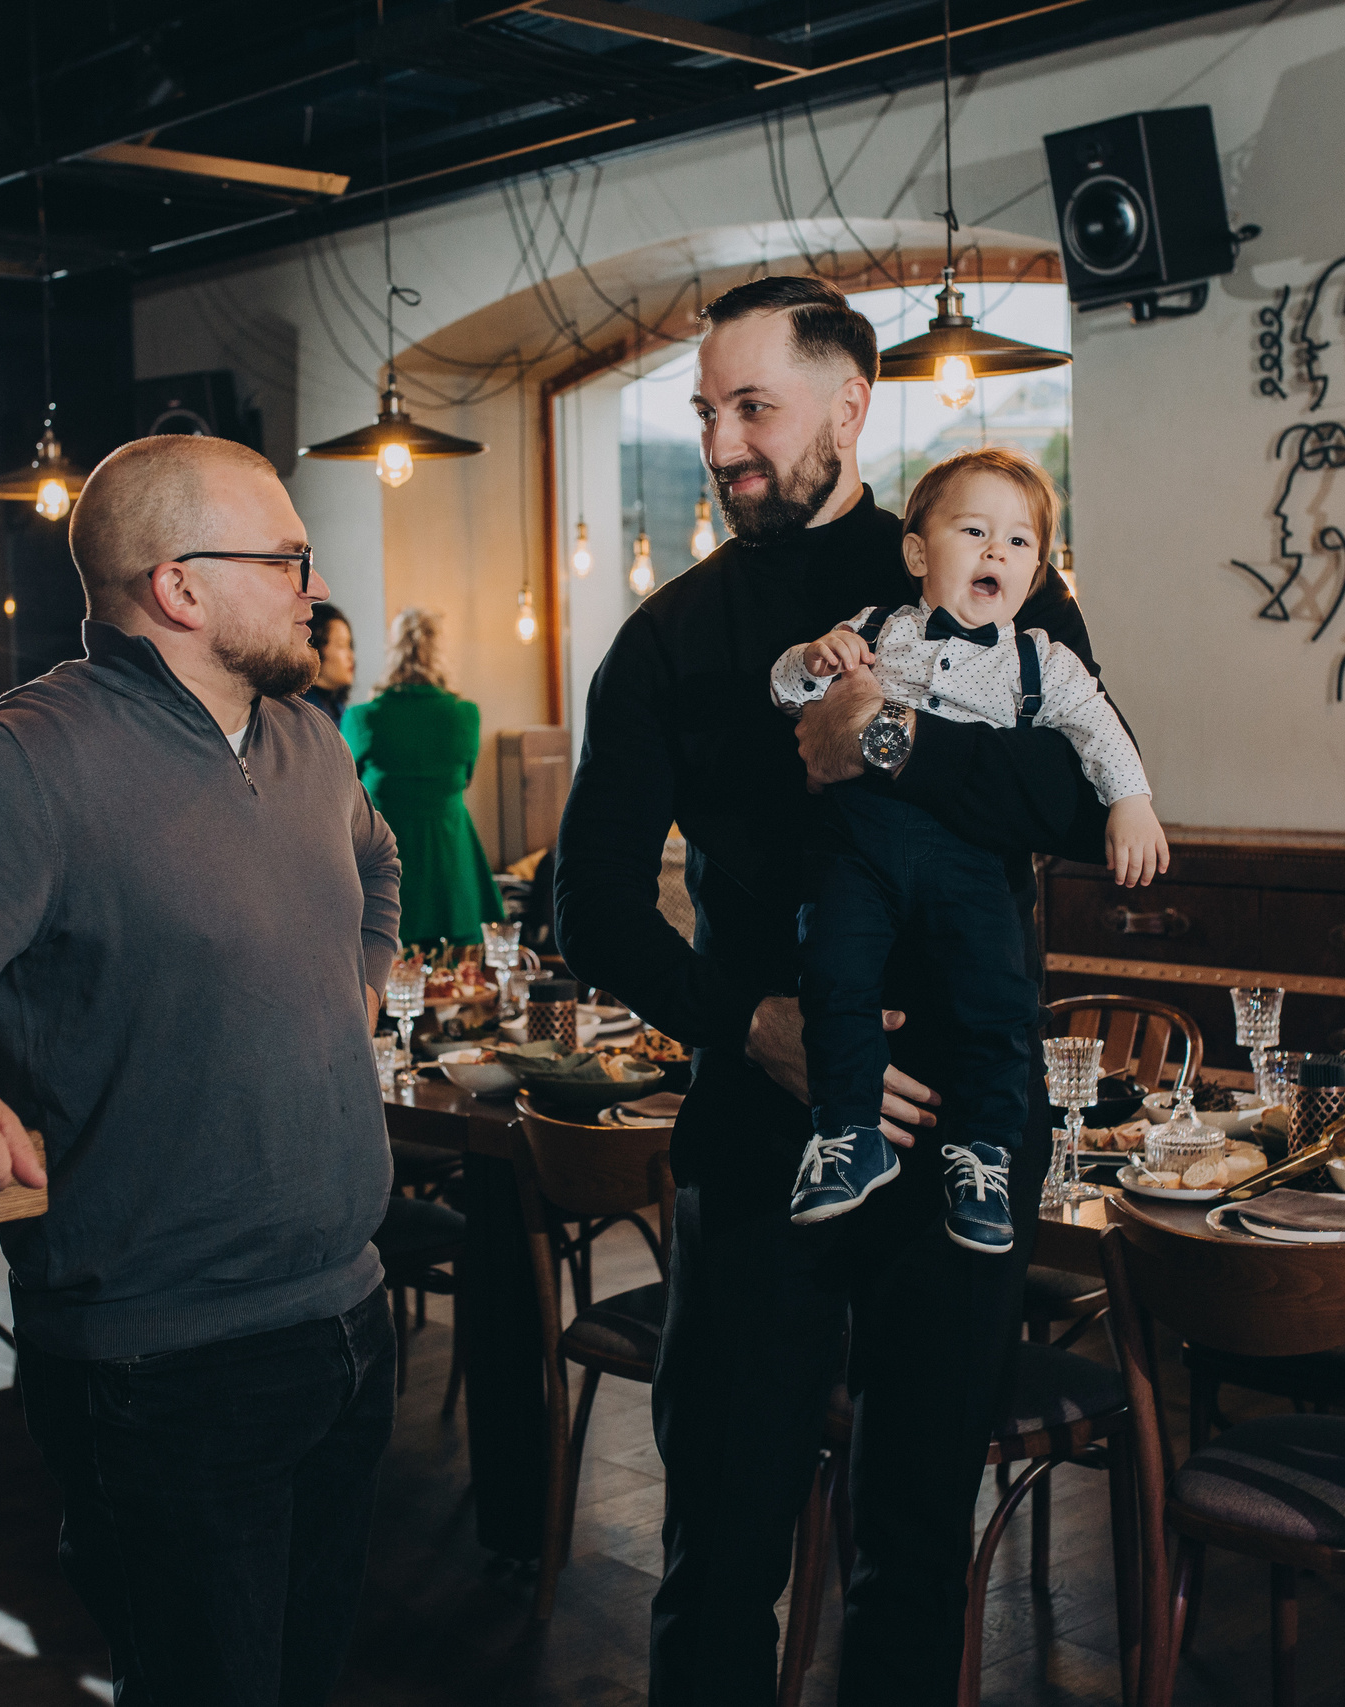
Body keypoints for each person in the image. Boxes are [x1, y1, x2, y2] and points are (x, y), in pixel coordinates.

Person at [554, 274, 1123, 1706]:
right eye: (704, 413)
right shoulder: (668, 636)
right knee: (721, 1538)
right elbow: (593, 904)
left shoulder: (985, 565)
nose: (723, 442)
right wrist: (748, 1023)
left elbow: (1068, 799)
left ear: (850, 405)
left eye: (754, 406)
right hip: (760, 1124)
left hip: (962, 1129)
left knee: (916, 1540)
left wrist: (884, 751)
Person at [0, 434, 403, 1706]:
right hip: (163, 1369)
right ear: (179, 588)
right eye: (284, 558)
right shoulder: (21, 762)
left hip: (345, 1320)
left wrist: (359, 984)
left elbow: (378, 862)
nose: (312, 583)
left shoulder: (307, 743)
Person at [772, 446, 1167, 1252]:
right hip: (862, 847)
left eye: (1019, 543)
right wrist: (812, 659)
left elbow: (1101, 731)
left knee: (997, 998)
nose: (997, 552)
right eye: (975, 531)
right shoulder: (875, 630)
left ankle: (984, 1152)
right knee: (834, 968)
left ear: (1036, 572)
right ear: (919, 553)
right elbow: (789, 694)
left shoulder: (1041, 661)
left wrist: (1132, 801)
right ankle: (849, 1134)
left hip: (972, 858)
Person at [342, 607, 504, 945]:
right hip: (450, 857)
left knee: (390, 969)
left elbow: (345, 790)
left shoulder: (363, 718)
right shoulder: (464, 715)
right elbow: (466, 777)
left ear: (393, 650)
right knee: (458, 980)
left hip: (387, 856)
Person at [303, 599, 355, 722]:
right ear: (316, 648)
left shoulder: (340, 709)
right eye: (341, 645)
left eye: (350, 645)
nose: (351, 656)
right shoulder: (301, 713)